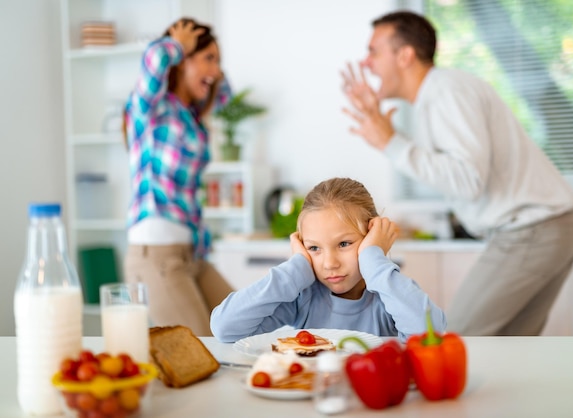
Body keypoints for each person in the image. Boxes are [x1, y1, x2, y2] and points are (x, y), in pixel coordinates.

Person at [340, 11, 573, 336]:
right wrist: (390, 138)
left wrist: (391, 142)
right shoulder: (439, 94)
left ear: (405, 55)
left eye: (373, 51)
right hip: (547, 228)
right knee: (512, 350)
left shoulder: (445, 92)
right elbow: (459, 171)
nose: (366, 63)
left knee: (457, 340)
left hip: (532, 231)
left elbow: (467, 180)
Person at [210, 177, 446, 343]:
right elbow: (225, 329)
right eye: (314, 248)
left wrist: (374, 260)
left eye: (344, 244)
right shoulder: (303, 297)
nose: (330, 263)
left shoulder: (389, 295)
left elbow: (432, 336)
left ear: (371, 237)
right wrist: (295, 269)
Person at [123, 18, 234, 336]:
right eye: (208, 58)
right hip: (155, 256)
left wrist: (211, 68)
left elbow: (225, 96)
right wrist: (177, 43)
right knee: (201, 349)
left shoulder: (190, 116)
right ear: (180, 60)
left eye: (218, 61)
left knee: (245, 327)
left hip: (192, 253)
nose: (215, 71)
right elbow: (155, 60)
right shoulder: (151, 109)